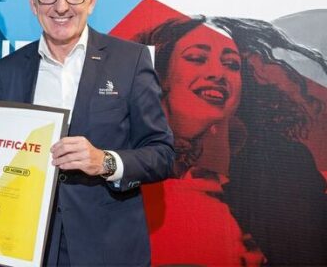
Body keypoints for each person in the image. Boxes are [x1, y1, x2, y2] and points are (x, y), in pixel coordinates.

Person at [0, 0, 175, 266]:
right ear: (33, 3)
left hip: (107, 246)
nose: (61, 6)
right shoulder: (8, 69)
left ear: (91, 0)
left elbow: (162, 154)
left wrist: (105, 161)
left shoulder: (129, 61)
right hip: (27, 246)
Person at [136, 15, 327, 266]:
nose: (218, 73)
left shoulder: (286, 164)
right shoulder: (128, 156)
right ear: (162, 73)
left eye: (231, 64)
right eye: (197, 58)